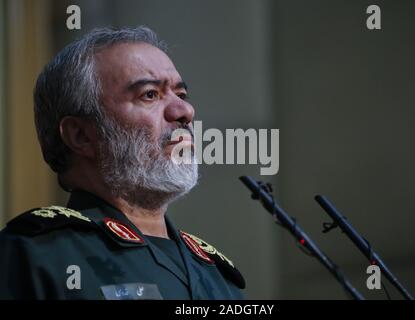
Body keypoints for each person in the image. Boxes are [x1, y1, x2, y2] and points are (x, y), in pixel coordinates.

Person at [0, 26, 245, 300]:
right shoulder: (36, 255)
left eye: (181, 94)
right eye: (150, 94)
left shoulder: (216, 273)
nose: (184, 111)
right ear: (81, 135)